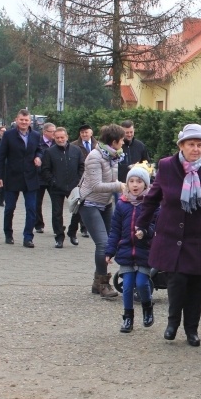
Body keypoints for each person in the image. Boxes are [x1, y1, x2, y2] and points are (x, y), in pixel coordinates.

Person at [136, 123, 201, 347]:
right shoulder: (167, 166)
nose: (196, 149)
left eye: (200, 145)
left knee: (195, 287)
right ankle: (172, 324)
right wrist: (141, 223)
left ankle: (192, 330)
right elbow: (152, 199)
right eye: (191, 144)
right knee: (176, 282)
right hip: (170, 237)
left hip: (199, 239)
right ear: (181, 145)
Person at [106, 164, 157, 333]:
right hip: (126, 250)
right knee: (127, 285)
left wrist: (146, 232)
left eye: (139, 182)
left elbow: (157, 226)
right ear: (127, 184)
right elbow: (115, 230)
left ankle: (147, 307)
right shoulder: (122, 204)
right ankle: (128, 317)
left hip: (145, 251)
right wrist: (109, 251)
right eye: (132, 181)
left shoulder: (151, 204)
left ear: (146, 184)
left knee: (142, 283)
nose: (135, 185)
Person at [79, 124, 125, 298]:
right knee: (103, 244)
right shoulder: (95, 157)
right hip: (89, 203)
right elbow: (96, 186)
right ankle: (103, 284)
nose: (123, 144)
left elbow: (111, 180)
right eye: (121, 140)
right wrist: (120, 186)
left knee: (114, 240)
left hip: (105, 204)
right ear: (114, 142)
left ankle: (96, 283)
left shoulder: (113, 156)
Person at [0, 109, 44, 248]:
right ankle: (8, 233)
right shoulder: (9, 135)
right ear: (17, 120)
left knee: (31, 208)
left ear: (30, 122)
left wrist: (38, 157)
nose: (24, 122)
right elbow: (1, 157)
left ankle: (28, 237)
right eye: (21, 120)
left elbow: (39, 149)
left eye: (26, 120)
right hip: (12, 176)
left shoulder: (35, 135)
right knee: (10, 208)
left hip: (30, 177)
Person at [40, 127, 85, 248]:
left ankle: (72, 232)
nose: (60, 139)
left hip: (74, 186)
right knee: (56, 213)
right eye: (57, 137)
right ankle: (59, 237)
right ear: (54, 138)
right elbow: (45, 169)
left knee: (78, 210)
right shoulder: (50, 152)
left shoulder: (76, 150)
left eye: (62, 137)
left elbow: (82, 166)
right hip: (57, 187)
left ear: (67, 137)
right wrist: (53, 181)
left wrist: (78, 180)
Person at [69, 124, 98, 242]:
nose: (84, 135)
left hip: (96, 180)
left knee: (90, 205)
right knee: (80, 204)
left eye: (86, 132)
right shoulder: (73, 145)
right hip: (81, 180)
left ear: (91, 133)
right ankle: (76, 229)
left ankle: (83, 228)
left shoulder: (99, 146)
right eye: (82, 133)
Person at [34, 122, 56, 234]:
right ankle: (38, 224)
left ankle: (56, 226)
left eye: (54, 131)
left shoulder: (56, 143)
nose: (54, 134)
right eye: (51, 131)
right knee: (37, 202)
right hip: (39, 177)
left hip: (52, 178)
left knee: (56, 203)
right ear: (45, 132)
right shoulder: (37, 142)